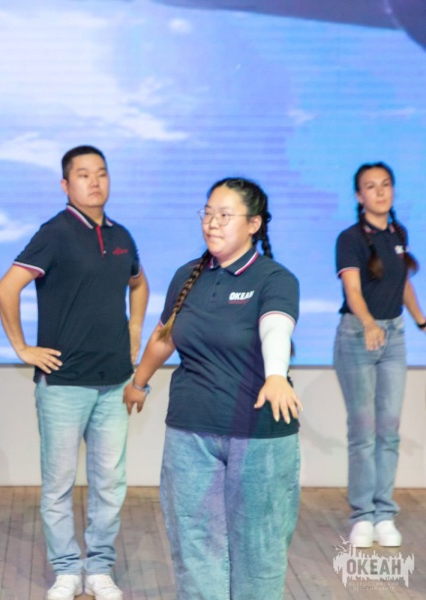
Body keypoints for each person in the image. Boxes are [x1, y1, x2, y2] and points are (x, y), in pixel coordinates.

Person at [124, 178, 301, 600]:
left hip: (258, 433)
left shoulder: (275, 278)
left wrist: (276, 375)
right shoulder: (187, 275)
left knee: (259, 548)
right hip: (190, 430)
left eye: (224, 215)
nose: (212, 222)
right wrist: (138, 383)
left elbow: (276, 327)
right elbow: (164, 337)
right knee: (194, 544)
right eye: (207, 213)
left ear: (254, 223)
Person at [0, 145, 148, 600]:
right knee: (58, 486)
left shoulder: (121, 235)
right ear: (65, 184)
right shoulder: (55, 233)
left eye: (101, 173)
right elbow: (7, 288)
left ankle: (99, 568)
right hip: (63, 384)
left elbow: (138, 283)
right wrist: (22, 348)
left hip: (114, 381)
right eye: (83, 174)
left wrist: (135, 329)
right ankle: (66, 570)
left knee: (109, 484)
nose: (94, 181)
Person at [333, 162, 426, 548]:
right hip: (357, 337)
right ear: (359, 196)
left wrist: (421, 320)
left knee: (388, 429)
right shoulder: (349, 238)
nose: (380, 192)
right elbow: (353, 291)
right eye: (371, 187)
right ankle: (362, 516)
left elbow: (402, 284)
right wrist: (369, 323)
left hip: (394, 338)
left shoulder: (398, 233)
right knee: (363, 431)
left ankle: (384, 513)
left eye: (386, 184)